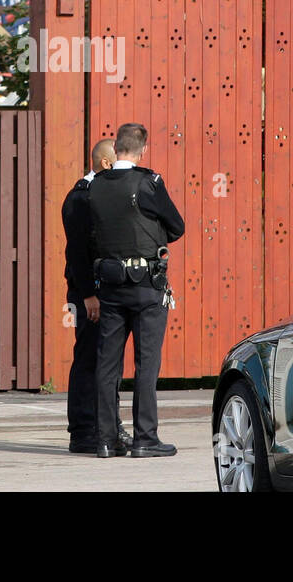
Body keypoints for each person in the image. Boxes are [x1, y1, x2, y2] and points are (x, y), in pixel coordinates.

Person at [88, 122, 185, 458]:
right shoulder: (148, 182)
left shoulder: (96, 185)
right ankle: (145, 438)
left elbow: (92, 234)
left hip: (110, 287)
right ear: (142, 148)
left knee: (107, 365)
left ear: (115, 149)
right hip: (146, 287)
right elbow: (177, 226)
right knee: (146, 364)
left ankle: (105, 439)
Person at [61, 138, 129, 455]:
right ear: (105, 163)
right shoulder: (80, 197)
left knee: (108, 360)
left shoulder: (100, 194)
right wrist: (88, 294)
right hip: (87, 291)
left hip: (105, 290)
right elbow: (77, 251)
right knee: (89, 357)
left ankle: (108, 427)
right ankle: (83, 431)